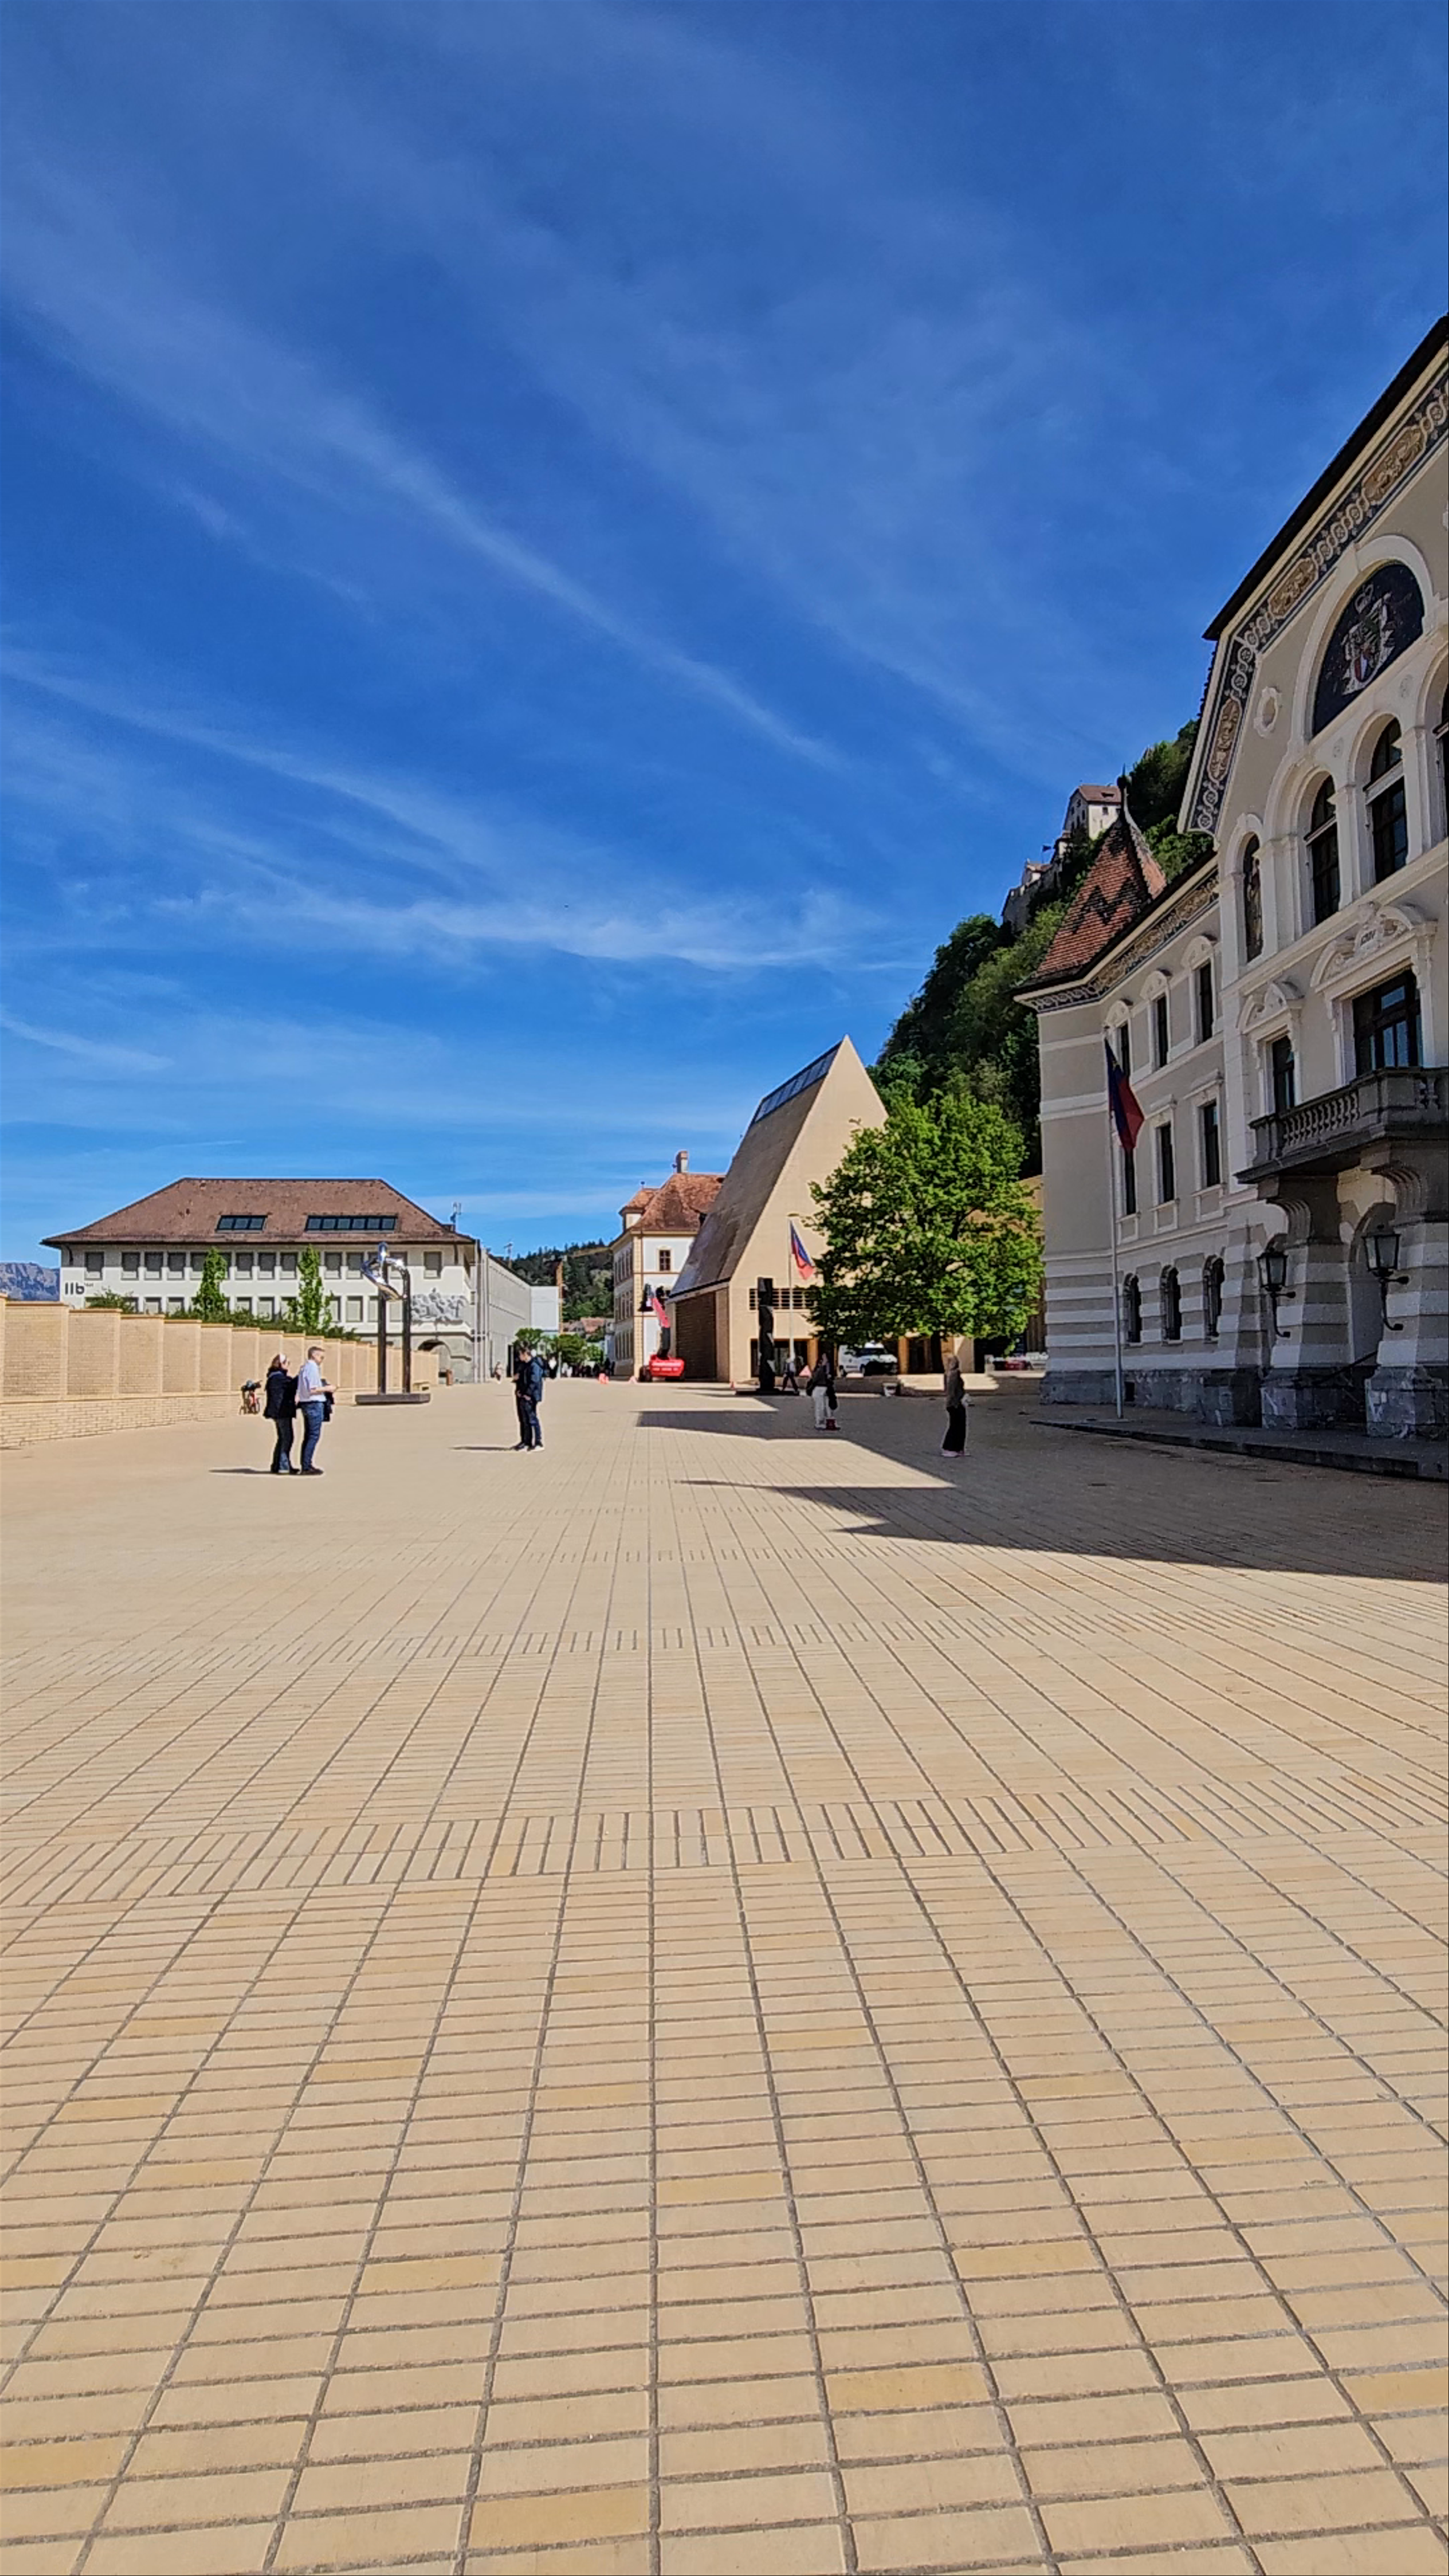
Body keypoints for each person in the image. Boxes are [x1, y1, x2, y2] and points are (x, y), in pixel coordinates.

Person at [295, 1345, 331, 1475]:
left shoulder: (305, 1368)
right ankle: (306, 1466)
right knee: (313, 1436)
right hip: (314, 1404)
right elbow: (313, 1389)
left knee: (309, 1436)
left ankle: (306, 1463)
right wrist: (328, 1388)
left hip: (308, 1403)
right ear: (314, 1356)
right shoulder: (312, 1368)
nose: (322, 1360)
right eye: (321, 1357)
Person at [263, 1352, 297, 1474]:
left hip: (279, 1412)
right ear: (282, 1364)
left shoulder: (274, 1376)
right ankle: (283, 1466)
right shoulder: (278, 1377)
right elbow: (292, 1384)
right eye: (287, 1363)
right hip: (281, 1412)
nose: (289, 1366)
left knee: (283, 1438)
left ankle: (278, 1465)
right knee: (287, 1438)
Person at [514, 1343, 545, 1451]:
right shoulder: (524, 1366)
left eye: (521, 1355)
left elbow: (534, 1382)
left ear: (526, 1354)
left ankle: (538, 1442)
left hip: (531, 1397)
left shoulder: (534, 1366)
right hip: (523, 1396)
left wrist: (528, 1394)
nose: (519, 1357)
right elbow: (521, 1380)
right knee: (524, 1420)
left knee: (533, 1419)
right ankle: (526, 1442)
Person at [941, 1348, 969, 1459]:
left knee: (957, 1426)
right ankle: (950, 1448)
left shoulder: (947, 1374)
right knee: (957, 1426)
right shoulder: (955, 1374)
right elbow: (953, 1391)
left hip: (952, 1403)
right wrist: (957, 1402)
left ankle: (958, 1448)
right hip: (956, 1404)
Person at [807, 1348, 838, 1432]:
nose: (825, 1360)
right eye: (824, 1358)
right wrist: (822, 1368)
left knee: (828, 1406)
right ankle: (820, 1423)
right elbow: (816, 1379)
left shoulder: (828, 1368)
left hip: (826, 1389)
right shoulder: (819, 1369)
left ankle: (830, 1422)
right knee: (820, 1407)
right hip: (819, 1389)